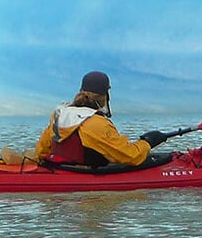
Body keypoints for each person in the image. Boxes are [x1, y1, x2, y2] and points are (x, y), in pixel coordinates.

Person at [30, 71, 176, 169]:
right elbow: (130, 156)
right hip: (87, 177)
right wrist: (147, 143)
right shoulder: (96, 123)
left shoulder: (60, 114)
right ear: (106, 94)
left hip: (65, 170)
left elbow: (42, 151)